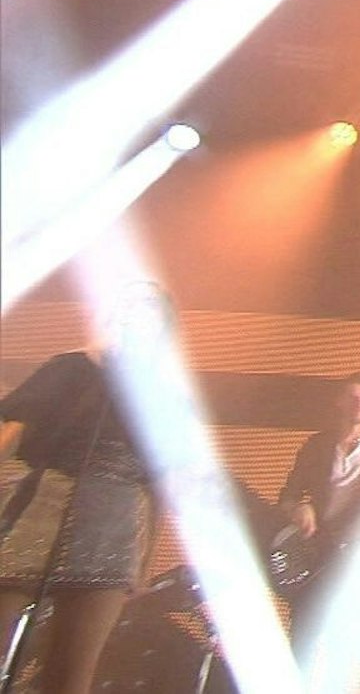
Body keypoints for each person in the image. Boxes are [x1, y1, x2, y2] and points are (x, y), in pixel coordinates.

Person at [0, 283, 171, 694]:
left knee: (70, 674)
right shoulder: (71, 367)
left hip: (111, 528)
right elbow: (12, 430)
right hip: (42, 508)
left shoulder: (160, 395)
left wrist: (145, 562)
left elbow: (164, 483)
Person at [275, 372, 360, 651]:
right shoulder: (317, 446)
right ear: (339, 401)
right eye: (353, 397)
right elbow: (287, 497)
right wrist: (299, 507)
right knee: (303, 636)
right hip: (316, 554)